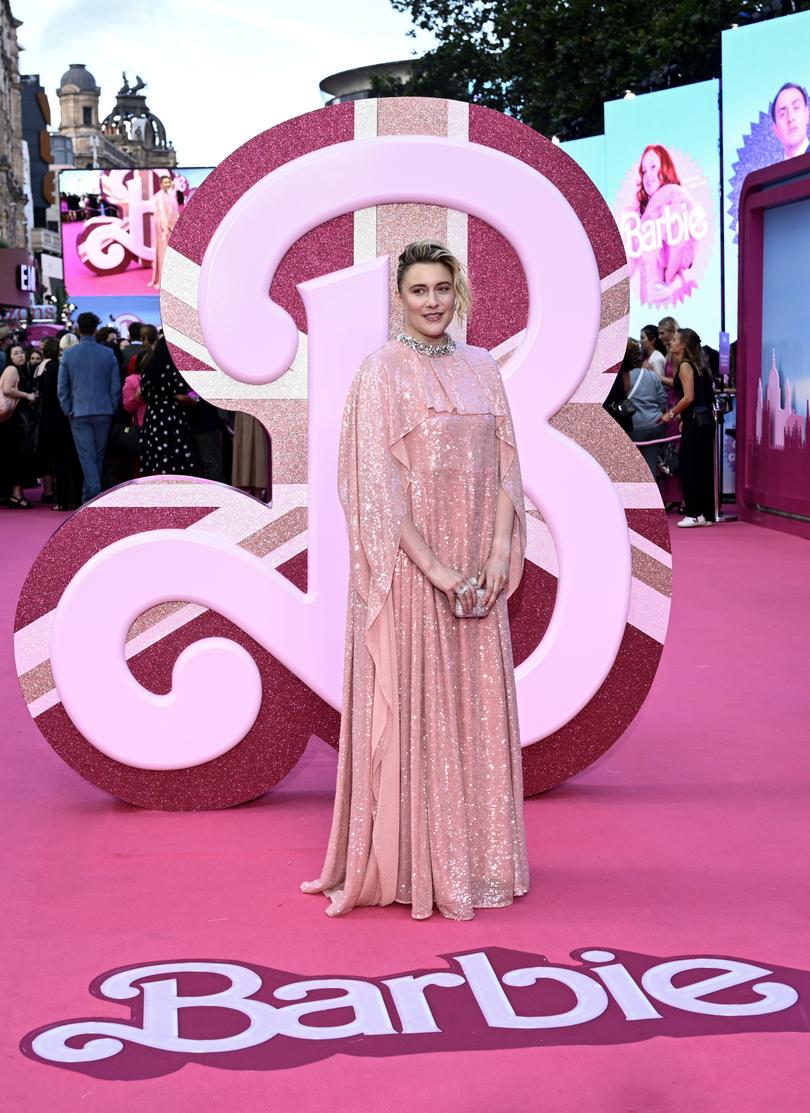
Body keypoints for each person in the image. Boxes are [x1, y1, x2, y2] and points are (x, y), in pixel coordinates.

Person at [301, 239, 529, 920]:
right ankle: (413, 864)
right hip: (410, 570)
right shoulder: (380, 372)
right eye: (418, 290)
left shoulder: (484, 367)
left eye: (441, 288)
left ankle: (481, 860)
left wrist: (493, 556)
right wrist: (438, 571)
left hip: (477, 566)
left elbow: (506, 469)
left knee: (475, 709)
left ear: (457, 294)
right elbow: (375, 488)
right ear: (398, 298)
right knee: (418, 707)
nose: (432, 301)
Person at [57, 311, 121, 503]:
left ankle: (92, 495)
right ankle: (91, 498)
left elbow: (62, 388)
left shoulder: (68, 354)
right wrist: (111, 405)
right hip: (103, 411)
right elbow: (115, 386)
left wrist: (68, 409)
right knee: (97, 456)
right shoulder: (108, 353)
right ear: (96, 329)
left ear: (78, 329)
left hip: (79, 412)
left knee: (87, 456)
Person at [629, 146, 701, 305]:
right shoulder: (643, 210)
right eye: (644, 170)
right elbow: (633, 257)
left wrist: (667, 282)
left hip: (666, 295)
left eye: (653, 167)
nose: (648, 175)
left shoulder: (675, 195)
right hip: (647, 296)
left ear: (665, 167)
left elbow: (679, 245)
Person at [660, 327, 716, 527]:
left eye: (674, 339)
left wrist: (672, 414)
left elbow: (689, 396)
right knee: (701, 468)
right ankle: (703, 513)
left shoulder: (685, 365)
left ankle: (693, 512)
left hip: (696, 422)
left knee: (688, 467)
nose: (671, 342)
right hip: (702, 421)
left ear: (682, 345)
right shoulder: (697, 364)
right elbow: (700, 396)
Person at [32, 338, 82, 510]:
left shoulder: (46, 368)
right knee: (74, 459)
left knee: (59, 461)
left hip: (52, 419)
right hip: (69, 417)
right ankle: (77, 498)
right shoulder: (62, 366)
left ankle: (62, 501)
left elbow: (46, 396)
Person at [138, 335, 198, 476]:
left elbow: (143, 394)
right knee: (175, 458)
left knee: (156, 457)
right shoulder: (175, 368)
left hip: (152, 416)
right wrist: (195, 398)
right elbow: (185, 396)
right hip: (173, 416)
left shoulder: (148, 368)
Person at [0, 343, 38, 507]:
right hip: (12, 421)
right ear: (10, 357)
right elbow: (8, 390)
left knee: (15, 457)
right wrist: (27, 395)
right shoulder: (12, 370)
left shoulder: (21, 370)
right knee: (16, 457)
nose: (20, 355)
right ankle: (16, 495)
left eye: (21, 352)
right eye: (15, 353)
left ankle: (15, 494)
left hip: (14, 420)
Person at [624, 338, 668, 477]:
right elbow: (662, 400)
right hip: (654, 425)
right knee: (650, 465)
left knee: (631, 467)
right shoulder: (651, 376)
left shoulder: (623, 377)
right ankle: (651, 496)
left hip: (632, 428)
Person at [148, 175, 179, 290]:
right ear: (161, 184)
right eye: (165, 182)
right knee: (164, 255)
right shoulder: (158, 197)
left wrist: (175, 227)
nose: (167, 184)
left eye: (168, 182)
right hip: (163, 232)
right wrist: (168, 227)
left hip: (173, 230)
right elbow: (160, 216)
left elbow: (175, 213)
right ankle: (164, 281)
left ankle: (174, 279)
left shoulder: (172, 196)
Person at [771, 82, 810, 161]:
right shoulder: (776, 172)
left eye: (796, 108)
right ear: (775, 130)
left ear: (807, 114)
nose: (790, 118)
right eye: (782, 114)